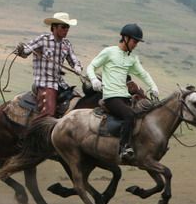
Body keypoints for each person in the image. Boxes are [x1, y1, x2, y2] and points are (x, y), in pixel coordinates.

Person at [86, 23, 159, 161]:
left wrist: (153, 86)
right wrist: (94, 79)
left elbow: (143, 74)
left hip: (125, 97)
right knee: (129, 115)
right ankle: (123, 148)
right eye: (134, 41)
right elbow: (91, 66)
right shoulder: (109, 52)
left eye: (137, 42)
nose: (136, 44)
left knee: (144, 112)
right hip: (111, 97)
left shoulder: (132, 58)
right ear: (125, 38)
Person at [16, 12, 83, 120]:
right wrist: (21, 50)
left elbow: (73, 60)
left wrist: (77, 67)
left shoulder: (66, 44)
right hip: (45, 82)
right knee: (48, 114)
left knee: (78, 102)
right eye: (63, 27)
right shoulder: (43, 39)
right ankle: (37, 131)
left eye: (68, 27)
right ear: (54, 27)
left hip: (60, 83)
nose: (66, 30)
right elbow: (26, 51)